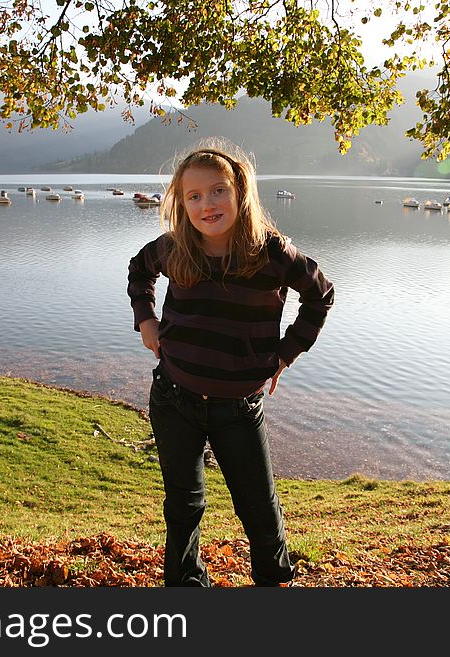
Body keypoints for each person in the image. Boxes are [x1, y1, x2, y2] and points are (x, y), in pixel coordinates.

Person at [127, 140, 335, 587]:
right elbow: (138, 270)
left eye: (218, 191)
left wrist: (285, 353)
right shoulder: (175, 248)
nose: (208, 204)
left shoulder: (271, 253)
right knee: (183, 505)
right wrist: (146, 320)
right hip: (174, 398)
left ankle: (274, 581)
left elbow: (321, 295)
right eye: (194, 196)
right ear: (182, 204)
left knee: (258, 505)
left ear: (240, 191)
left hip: (237, 408)